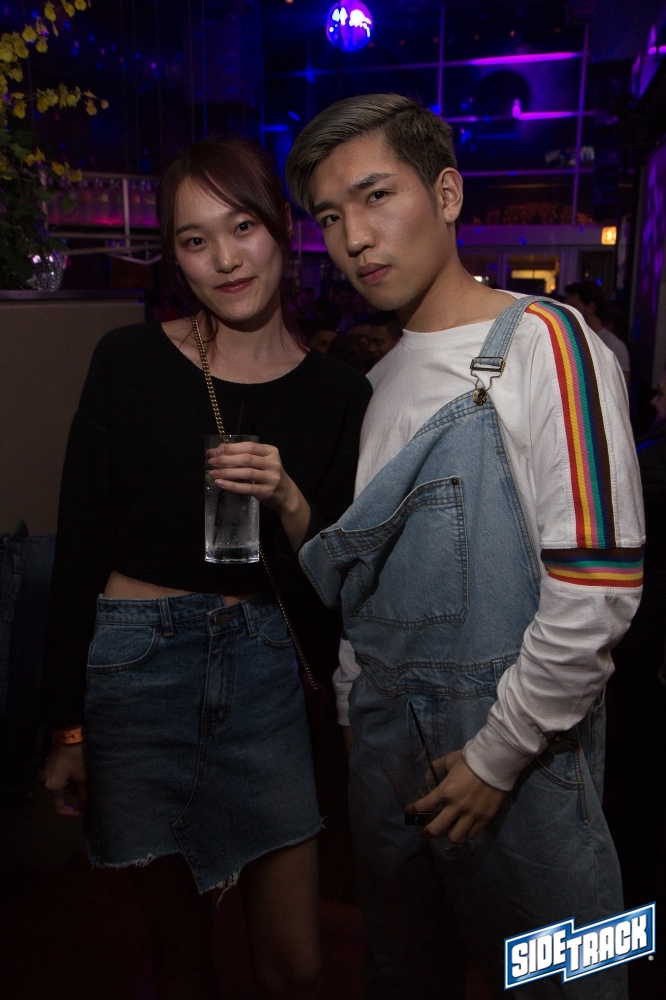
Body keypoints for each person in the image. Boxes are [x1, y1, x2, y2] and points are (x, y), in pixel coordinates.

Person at [286, 94, 643, 998]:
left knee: (568, 981)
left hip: (520, 748)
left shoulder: (549, 341)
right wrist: (355, 714)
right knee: (406, 972)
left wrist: (497, 755)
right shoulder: (377, 381)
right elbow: (369, 589)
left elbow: (599, 583)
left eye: (376, 196)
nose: (354, 238)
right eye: (329, 218)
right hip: (384, 751)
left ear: (446, 194)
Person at [41, 137, 372, 1000]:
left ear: (283, 228)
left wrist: (289, 497)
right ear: (175, 256)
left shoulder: (340, 395)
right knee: (181, 959)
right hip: (136, 672)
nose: (225, 259)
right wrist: (65, 727)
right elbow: (79, 548)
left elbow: (340, 581)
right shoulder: (128, 362)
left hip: (264, 676)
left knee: (296, 965)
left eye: (243, 227)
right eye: (195, 240)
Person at [564, 280, 631, 390]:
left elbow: (621, 391)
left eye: (573, 306)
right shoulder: (572, 339)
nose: (568, 312)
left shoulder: (614, 346)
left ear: (591, 307)